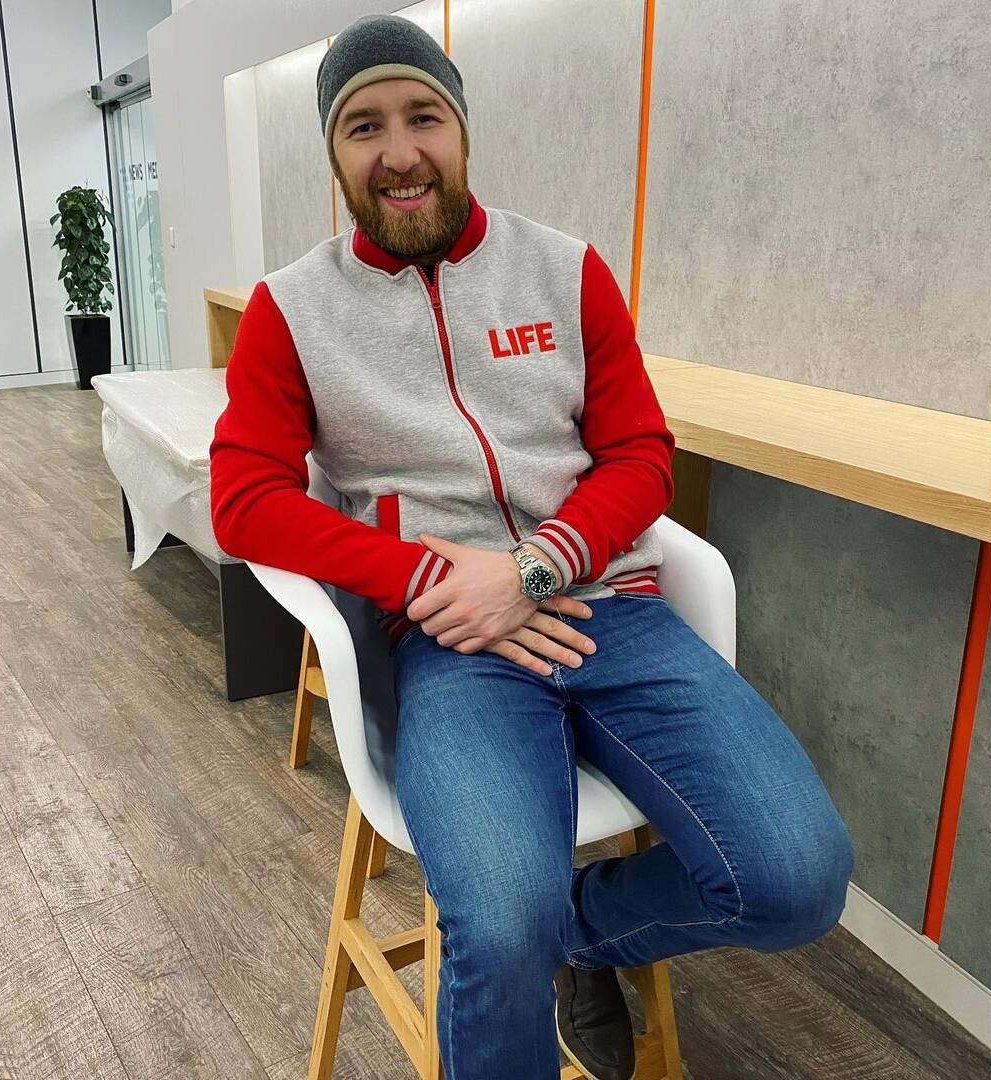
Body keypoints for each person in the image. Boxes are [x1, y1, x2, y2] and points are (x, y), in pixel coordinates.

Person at [209, 14, 855, 1080]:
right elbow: (245, 503)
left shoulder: (566, 271)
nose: (400, 152)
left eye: (423, 116)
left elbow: (640, 455)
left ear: (461, 129)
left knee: (798, 878)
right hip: (450, 642)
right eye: (364, 127)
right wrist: (432, 579)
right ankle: (527, 940)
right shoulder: (292, 310)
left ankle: (579, 933)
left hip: (612, 610)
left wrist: (533, 568)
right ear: (334, 153)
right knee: (496, 926)